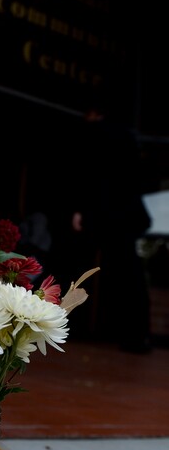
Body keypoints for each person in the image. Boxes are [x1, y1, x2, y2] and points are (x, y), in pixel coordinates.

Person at [66, 102, 153, 353]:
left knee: (83, 269)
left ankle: (71, 324)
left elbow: (90, 176)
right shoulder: (127, 137)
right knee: (128, 273)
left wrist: (81, 210)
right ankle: (136, 334)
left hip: (104, 214)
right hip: (124, 215)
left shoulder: (96, 135)